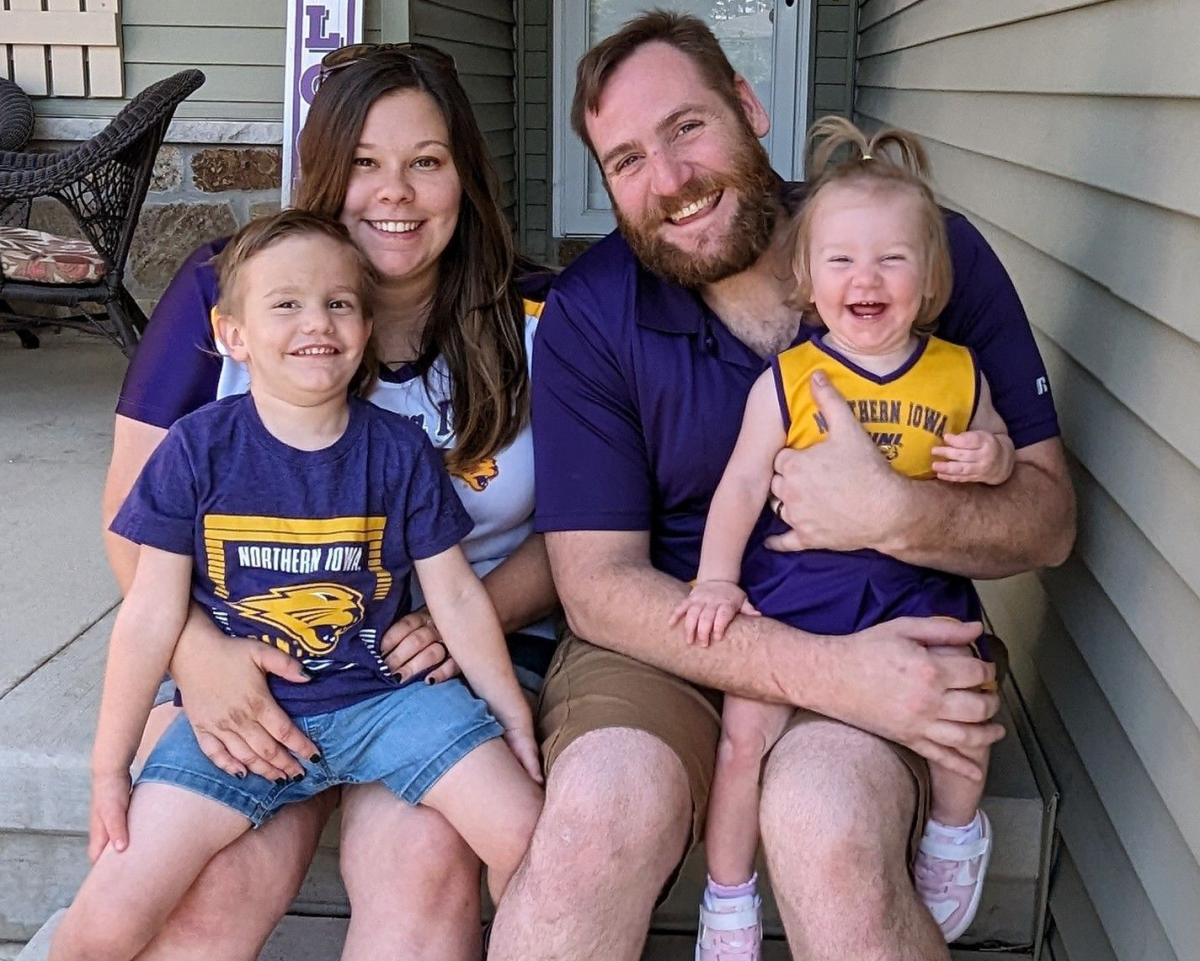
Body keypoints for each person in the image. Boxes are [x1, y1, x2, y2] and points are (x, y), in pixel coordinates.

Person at [488, 12, 1074, 961]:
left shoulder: (907, 251)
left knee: (825, 824)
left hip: (874, 607)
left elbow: (1046, 521)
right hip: (675, 632)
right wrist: (821, 671)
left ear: (750, 106)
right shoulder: (592, 314)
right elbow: (596, 584)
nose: (670, 182)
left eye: (687, 128)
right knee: (592, 824)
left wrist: (898, 512)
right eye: (626, 159)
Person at [100, 43, 556, 960]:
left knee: (426, 869)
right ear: (322, 174)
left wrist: (465, 618)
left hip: (451, 661)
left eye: (426, 162)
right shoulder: (224, 291)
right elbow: (129, 517)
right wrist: (205, 656)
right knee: (208, 888)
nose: (394, 192)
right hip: (249, 641)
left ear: (464, 175)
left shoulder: (540, 318)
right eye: (362, 164)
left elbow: (582, 529)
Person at [671, 117, 1016, 957]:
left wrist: (989, 453)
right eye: (842, 260)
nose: (867, 278)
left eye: (893, 259)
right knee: (745, 731)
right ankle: (727, 893)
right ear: (808, 280)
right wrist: (716, 579)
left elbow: (1002, 449)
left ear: (930, 276)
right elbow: (744, 484)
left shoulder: (958, 371)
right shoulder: (790, 378)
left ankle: (953, 833)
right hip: (801, 590)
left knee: (966, 700)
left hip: (913, 587)